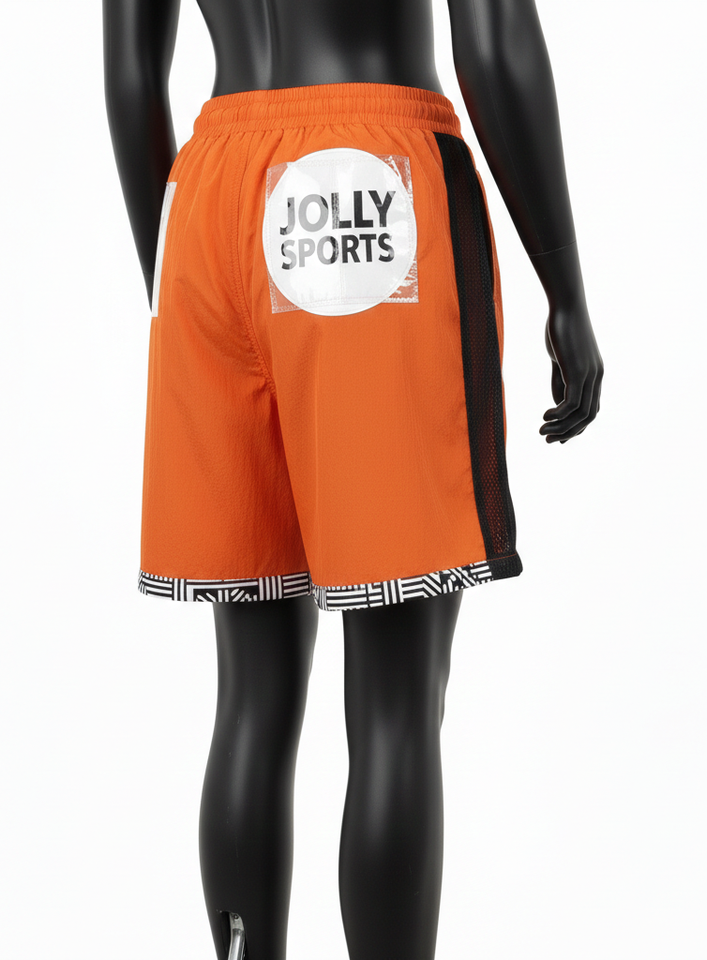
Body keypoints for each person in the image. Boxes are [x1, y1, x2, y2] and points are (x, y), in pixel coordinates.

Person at [103, 0, 603, 957]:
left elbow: (130, 75)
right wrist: (567, 291)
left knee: (251, 695)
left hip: (206, 196)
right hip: (368, 179)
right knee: (396, 704)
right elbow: (494, 42)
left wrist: (172, 286)